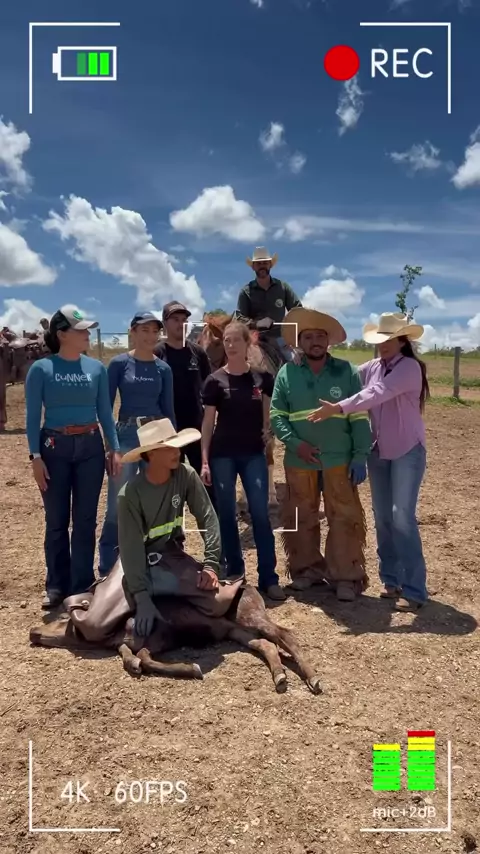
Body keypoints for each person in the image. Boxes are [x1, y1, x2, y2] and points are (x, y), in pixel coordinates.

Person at [307, 312, 429, 613]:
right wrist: (320, 360)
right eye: (381, 340)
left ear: (402, 341)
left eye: (390, 339)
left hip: (407, 450)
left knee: (401, 516)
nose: (384, 345)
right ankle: (391, 579)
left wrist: (337, 407)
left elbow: (375, 394)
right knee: (382, 517)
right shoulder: (372, 367)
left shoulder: (409, 368)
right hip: (378, 451)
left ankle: (415, 589)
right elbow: (348, 375)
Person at [270, 307, 372, 601]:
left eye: (320, 336)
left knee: (344, 515)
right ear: (300, 342)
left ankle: (346, 577)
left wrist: (360, 455)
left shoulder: (347, 371)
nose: (315, 341)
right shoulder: (287, 372)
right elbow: (277, 415)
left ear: (328, 340)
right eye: (308, 337)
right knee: (301, 514)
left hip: (339, 459)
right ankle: (307, 571)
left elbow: (359, 416)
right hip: (299, 460)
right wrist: (296, 443)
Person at [24, 307, 121, 609]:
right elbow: (32, 417)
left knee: (85, 520)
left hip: (91, 448)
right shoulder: (41, 369)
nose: (87, 334)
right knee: (56, 520)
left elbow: (105, 413)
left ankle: (81, 584)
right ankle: (56, 585)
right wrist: (35, 457)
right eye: (81, 330)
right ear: (62, 334)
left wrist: (114, 448)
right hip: (54, 448)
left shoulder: (97, 369)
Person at [117, 418, 245, 637]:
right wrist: (141, 596)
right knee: (95, 625)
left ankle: (162, 592)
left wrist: (211, 565)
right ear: (151, 454)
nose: (177, 451)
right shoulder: (129, 495)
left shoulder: (186, 475)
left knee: (220, 602)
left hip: (171, 559)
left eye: (176, 445)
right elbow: (131, 550)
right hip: (136, 565)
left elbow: (208, 518)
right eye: (169, 447)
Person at [200, 320, 286, 601]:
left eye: (236, 339)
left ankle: (269, 578)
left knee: (260, 514)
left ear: (248, 343)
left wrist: (269, 431)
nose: (230, 345)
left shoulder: (262, 378)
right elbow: (208, 423)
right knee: (227, 514)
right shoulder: (214, 381)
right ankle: (235, 572)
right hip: (222, 455)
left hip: (253, 455)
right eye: (226, 340)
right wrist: (204, 460)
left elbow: (267, 415)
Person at [98, 311, 176, 577]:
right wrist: (111, 447)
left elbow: (169, 410)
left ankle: (152, 564)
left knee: (155, 502)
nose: (151, 336)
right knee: (118, 504)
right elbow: (106, 408)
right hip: (127, 435)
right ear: (132, 332)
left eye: (155, 331)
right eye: (145, 330)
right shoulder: (119, 364)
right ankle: (108, 568)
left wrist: (173, 445)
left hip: (157, 436)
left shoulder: (163, 369)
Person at [154, 301, 213, 489]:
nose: (181, 324)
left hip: (196, 427)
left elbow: (209, 388)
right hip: (168, 429)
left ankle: (209, 509)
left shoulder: (198, 353)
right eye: (175, 320)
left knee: (206, 481)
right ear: (165, 323)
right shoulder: (157, 353)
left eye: (184, 320)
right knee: (170, 483)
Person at [234, 246, 302, 363]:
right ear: (253, 267)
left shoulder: (282, 287)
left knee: (296, 362)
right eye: (258, 263)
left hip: (279, 338)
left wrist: (291, 333)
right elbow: (239, 318)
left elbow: (297, 310)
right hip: (255, 338)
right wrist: (256, 324)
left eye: (265, 263)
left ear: (270, 265)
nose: (262, 266)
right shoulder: (246, 291)